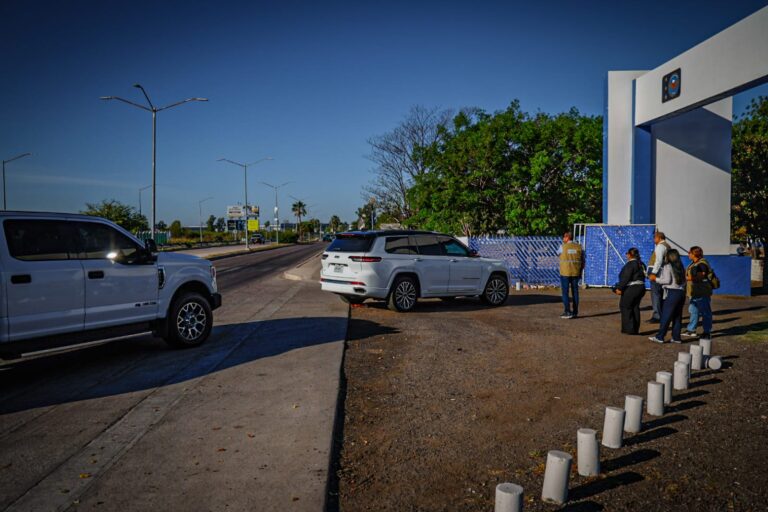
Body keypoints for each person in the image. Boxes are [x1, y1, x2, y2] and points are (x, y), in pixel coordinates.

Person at [648, 249, 686, 344]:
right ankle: (676, 337)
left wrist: (655, 278)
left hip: (672, 293)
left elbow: (666, 280)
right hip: (681, 293)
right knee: (677, 317)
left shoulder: (667, 266)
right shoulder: (681, 267)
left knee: (666, 316)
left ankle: (660, 337)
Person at [681, 246, 713, 340]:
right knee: (693, 311)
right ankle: (691, 330)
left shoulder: (702, 264)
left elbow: (700, 277)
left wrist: (686, 278)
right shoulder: (694, 263)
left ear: (694, 254)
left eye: (689, 252)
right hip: (694, 292)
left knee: (705, 312)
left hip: (701, 292)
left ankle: (707, 332)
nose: (688, 254)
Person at [614, 247, 647, 334]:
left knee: (625, 306)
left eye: (627, 253)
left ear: (629, 255)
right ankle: (635, 329)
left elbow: (626, 277)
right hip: (641, 287)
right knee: (635, 307)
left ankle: (629, 329)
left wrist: (620, 288)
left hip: (632, 288)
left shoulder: (630, 264)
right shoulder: (641, 264)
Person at [558, 231, 584, 319]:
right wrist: (580, 271)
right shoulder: (579, 247)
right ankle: (575, 312)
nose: (563, 239)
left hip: (565, 273)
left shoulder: (562, 246)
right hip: (576, 272)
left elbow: (558, 254)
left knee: (565, 293)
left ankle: (567, 311)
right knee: (575, 293)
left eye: (564, 237)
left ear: (567, 237)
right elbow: (583, 260)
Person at [647, 231, 670, 323]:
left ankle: (657, 315)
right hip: (662, 271)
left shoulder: (660, 246)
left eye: (654, 238)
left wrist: (653, 272)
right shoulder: (667, 246)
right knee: (661, 294)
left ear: (659, 238)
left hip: (656, 271)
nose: (653, 240)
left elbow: (658, 261)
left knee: (655, 294)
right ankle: (662, 314)